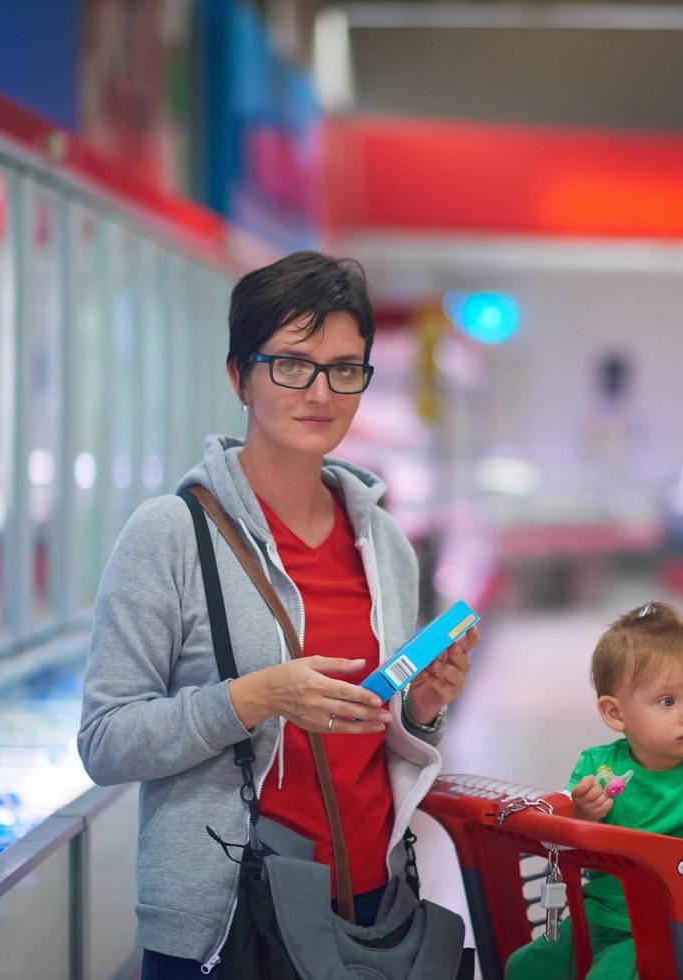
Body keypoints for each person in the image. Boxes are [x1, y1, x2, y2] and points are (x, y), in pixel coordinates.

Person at [77, 251, 479, 979]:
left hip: (368, 903)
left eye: (344, 368)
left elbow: (371, 728)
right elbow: (105, 741)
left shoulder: (382, 539)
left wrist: (420, 709)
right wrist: (255, 698)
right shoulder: (170, 533)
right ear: (240, 375)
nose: (319, 391)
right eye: (292, 364)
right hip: (228, 919)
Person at [505, 600, 683, 980]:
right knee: (524, 968)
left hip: (677, 930)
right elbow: (562, 839)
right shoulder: (597, 768)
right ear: (615, 713)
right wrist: (584, 813)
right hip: (595, 916)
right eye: (668, 701)